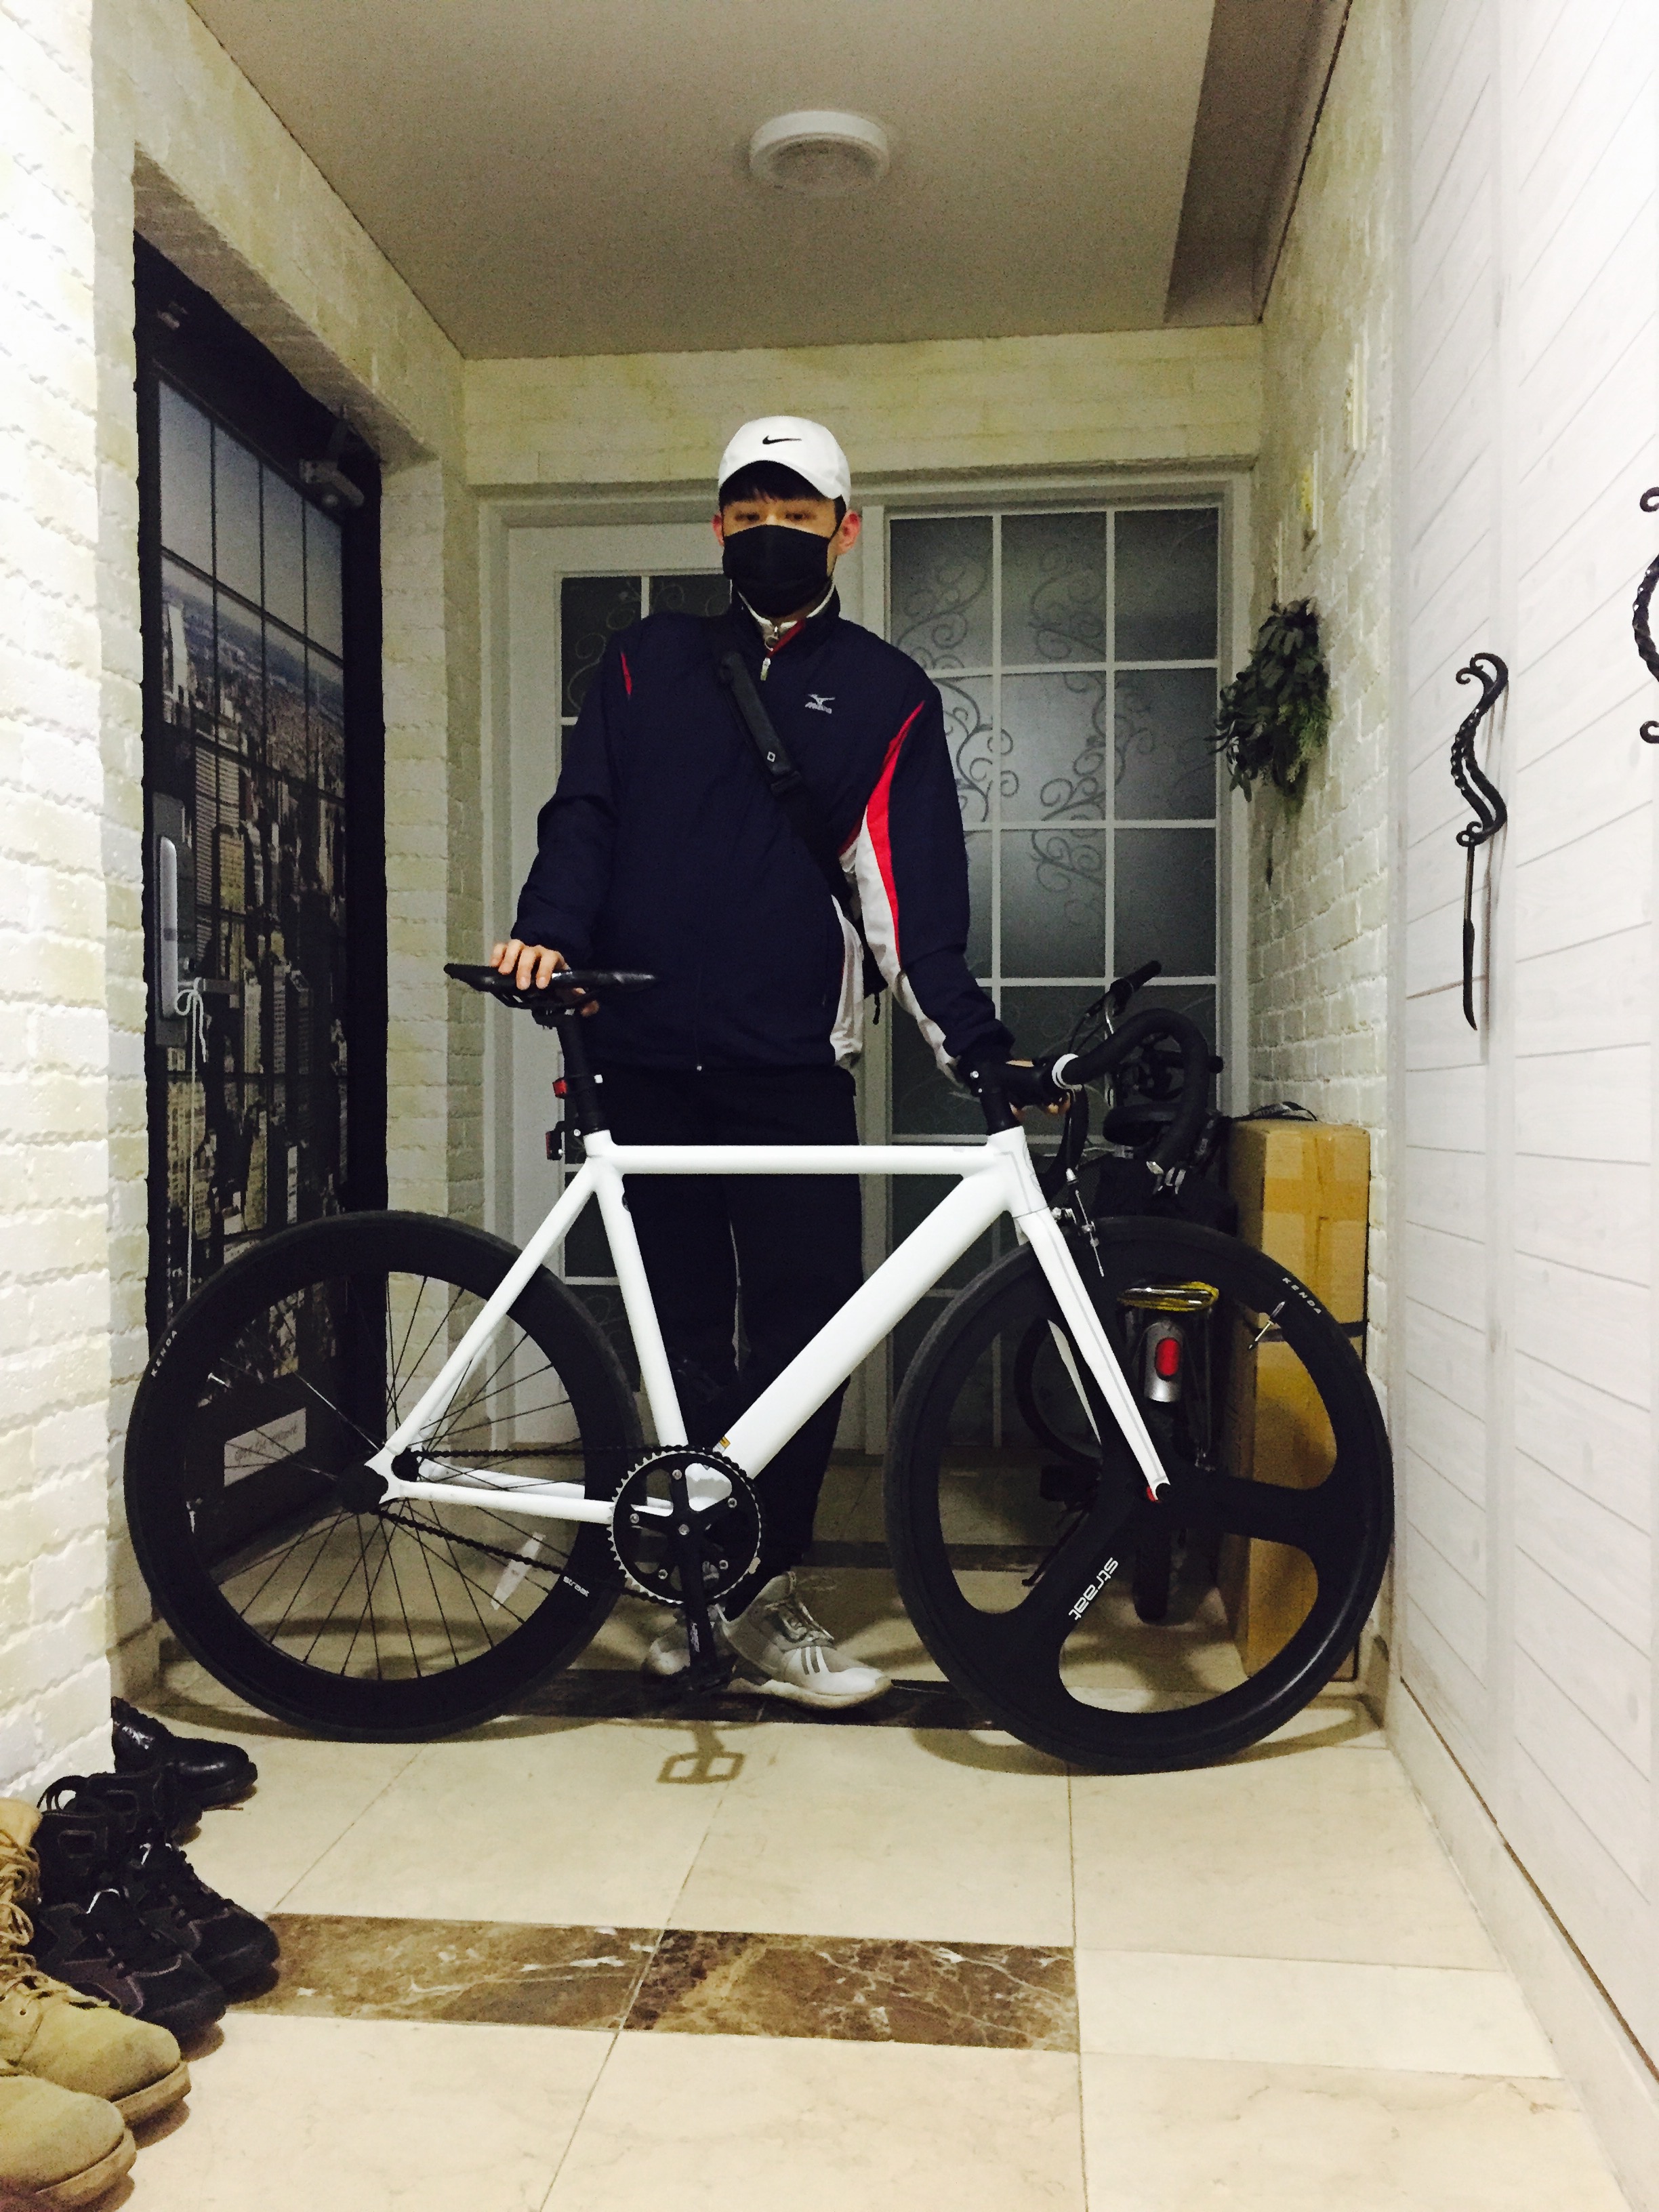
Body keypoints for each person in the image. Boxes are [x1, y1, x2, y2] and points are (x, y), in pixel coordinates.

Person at [491, 415, 1021, 1709]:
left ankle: (765, 1585)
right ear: (717, 526)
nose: (770, 533)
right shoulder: (644, 661)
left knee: (804, 1336)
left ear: (845, 529)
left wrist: (981, 1051)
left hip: (790, 1062)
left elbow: (906, 901)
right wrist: (547, 929)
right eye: (748, 513)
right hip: (641, 1052)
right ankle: (694, 1587)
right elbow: (586, 815)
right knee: (680, 1336)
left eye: (798, 514)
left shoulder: (887, 691)